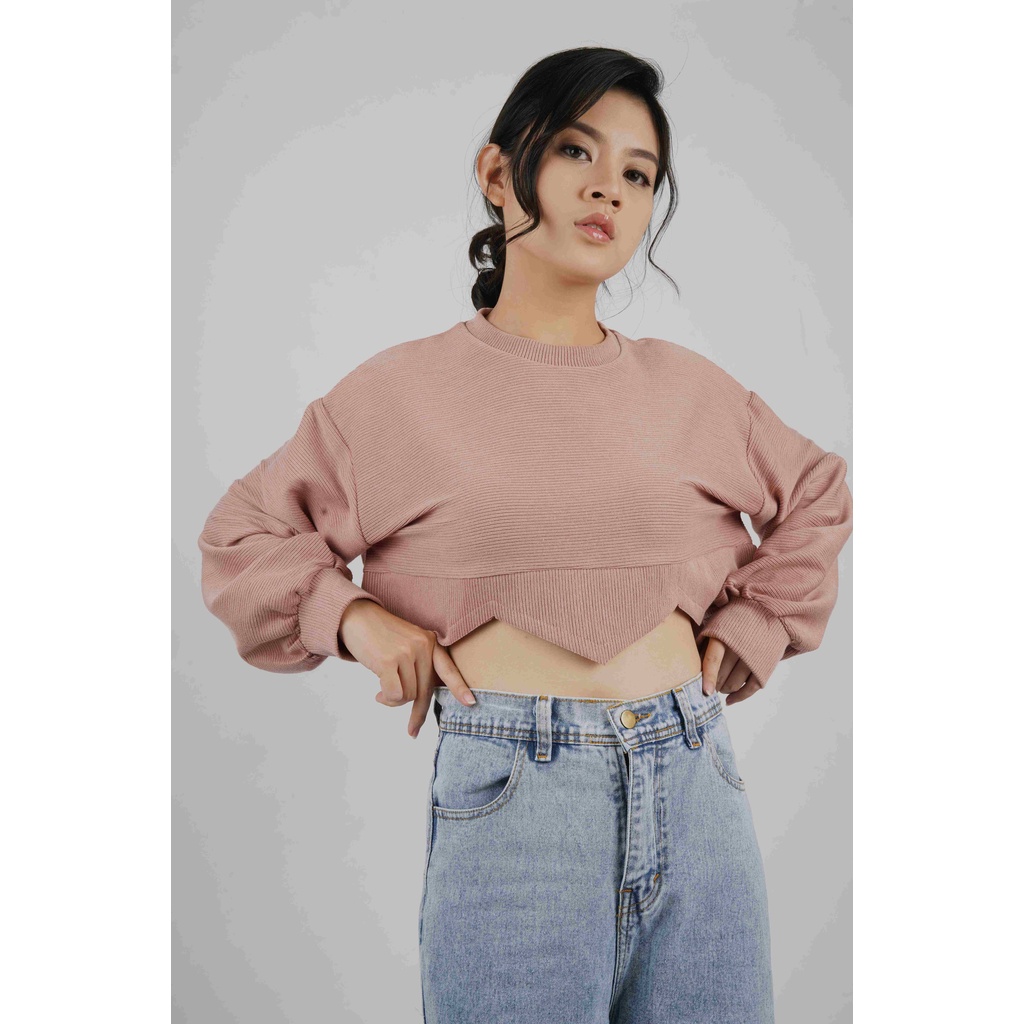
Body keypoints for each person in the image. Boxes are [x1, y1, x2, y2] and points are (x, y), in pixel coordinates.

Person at [198, 46, 852, 1024]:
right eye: (578, 152)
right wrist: (355, 618)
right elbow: (240, 533)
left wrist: (758, 621)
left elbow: (818, 491)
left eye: (639, 173)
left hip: (696, 781)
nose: (609, 188)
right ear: (499, 173)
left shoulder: (690, 389)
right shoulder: (400, 395)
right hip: (515, 800)